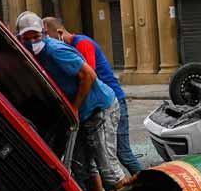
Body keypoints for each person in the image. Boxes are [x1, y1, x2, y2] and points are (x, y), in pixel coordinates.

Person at [15, 12, 126, 191]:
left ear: (44, 34)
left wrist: (74, 107)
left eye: (35, 36)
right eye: (26, 38)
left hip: (99, 108)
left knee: (109, 170)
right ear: (20, 38)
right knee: (83, 168)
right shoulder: (33, 57)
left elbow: (88, 75)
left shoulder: (55, 51)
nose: (32, 41)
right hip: (83, 115)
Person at [44, 16, 141, 174]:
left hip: (111, 101)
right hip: (99, 105)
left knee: (123, 153)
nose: (46, 40)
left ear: (60, 32)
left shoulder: (82, 43)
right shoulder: (66, 49)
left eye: (47, 35)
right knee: (98, 159)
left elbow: (89, 75)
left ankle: (149, 186)